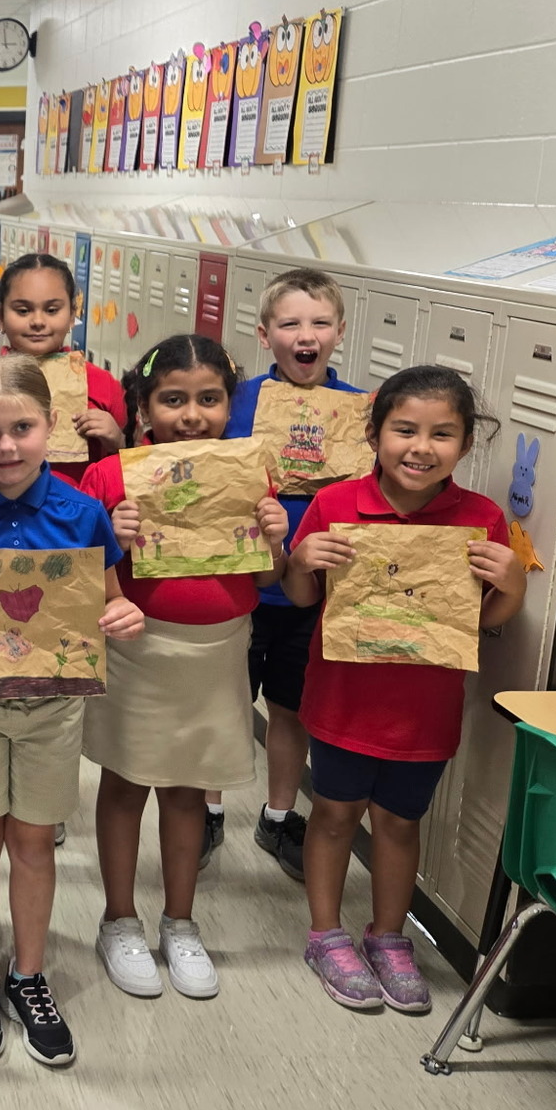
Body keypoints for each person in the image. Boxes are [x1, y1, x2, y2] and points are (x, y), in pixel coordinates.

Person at [0, 357, 143, 1066]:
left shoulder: (82, 513)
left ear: (50, 427)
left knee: (35, 843)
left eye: (22, 429)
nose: (6, 446)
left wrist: (123, 614)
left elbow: (109, 600)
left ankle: (29, 974)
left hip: (51, 705)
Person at [284, 365, 524, 1014]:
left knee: (398, 822)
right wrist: (300, 562)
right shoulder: (336, 505)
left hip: (425, 712)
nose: (421, 447)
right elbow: (302, 597)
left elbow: (483, 620)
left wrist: (512, 587)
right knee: (334, 816)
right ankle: (325, 935)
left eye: (442, 434)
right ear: (375, 435)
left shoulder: (480, 518)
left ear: (466, 444)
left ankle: (389, 937)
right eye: (405, 430)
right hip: (343, 701)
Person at [82, 336, 288, 1001]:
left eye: (209, 399)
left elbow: (269, 577)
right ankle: (119, 920)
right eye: (173, 399)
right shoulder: (113, 476)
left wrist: (276, 539)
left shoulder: (249, 473)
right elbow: (77, 578)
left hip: (219, 651)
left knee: (189, 791)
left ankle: (180, 921)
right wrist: (113, 537)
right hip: (138, 650)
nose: (192, 415)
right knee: (125, 784)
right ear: (143, 408)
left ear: (230, 405)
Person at [215, 267, 363, 874]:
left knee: (290, 707)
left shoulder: (359, 411)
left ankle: (278, 816)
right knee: (224, 705)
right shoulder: (238, 402)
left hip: (313, 592)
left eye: (320, 323)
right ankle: (208, 809)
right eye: (291, 323)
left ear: (340, 332)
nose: (307, 335)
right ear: (264, 334)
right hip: (242, 584)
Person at [0, 252, 124, 491]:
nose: (38, 321)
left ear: (72, 315)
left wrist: (117, 441)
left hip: (75, 510)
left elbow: (137, 471)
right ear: (0, 316)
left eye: (52, 310)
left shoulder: (102, 385)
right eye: (23, 311)